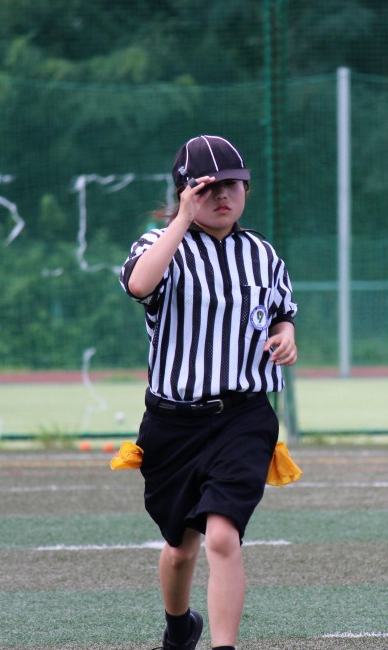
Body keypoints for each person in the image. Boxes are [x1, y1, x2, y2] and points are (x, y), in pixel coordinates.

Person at [119, 134, 298, 650]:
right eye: (207, 188)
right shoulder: (158, 245)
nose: (222, 195)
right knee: (181, 548)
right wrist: (181, 219)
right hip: (174, 421)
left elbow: (281, 313)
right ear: (184, 192)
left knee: (222, 536)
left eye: (233, 185)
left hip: (243, 416)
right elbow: (139, 285)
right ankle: (180, 627)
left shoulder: (262, 253)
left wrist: (286, 335)